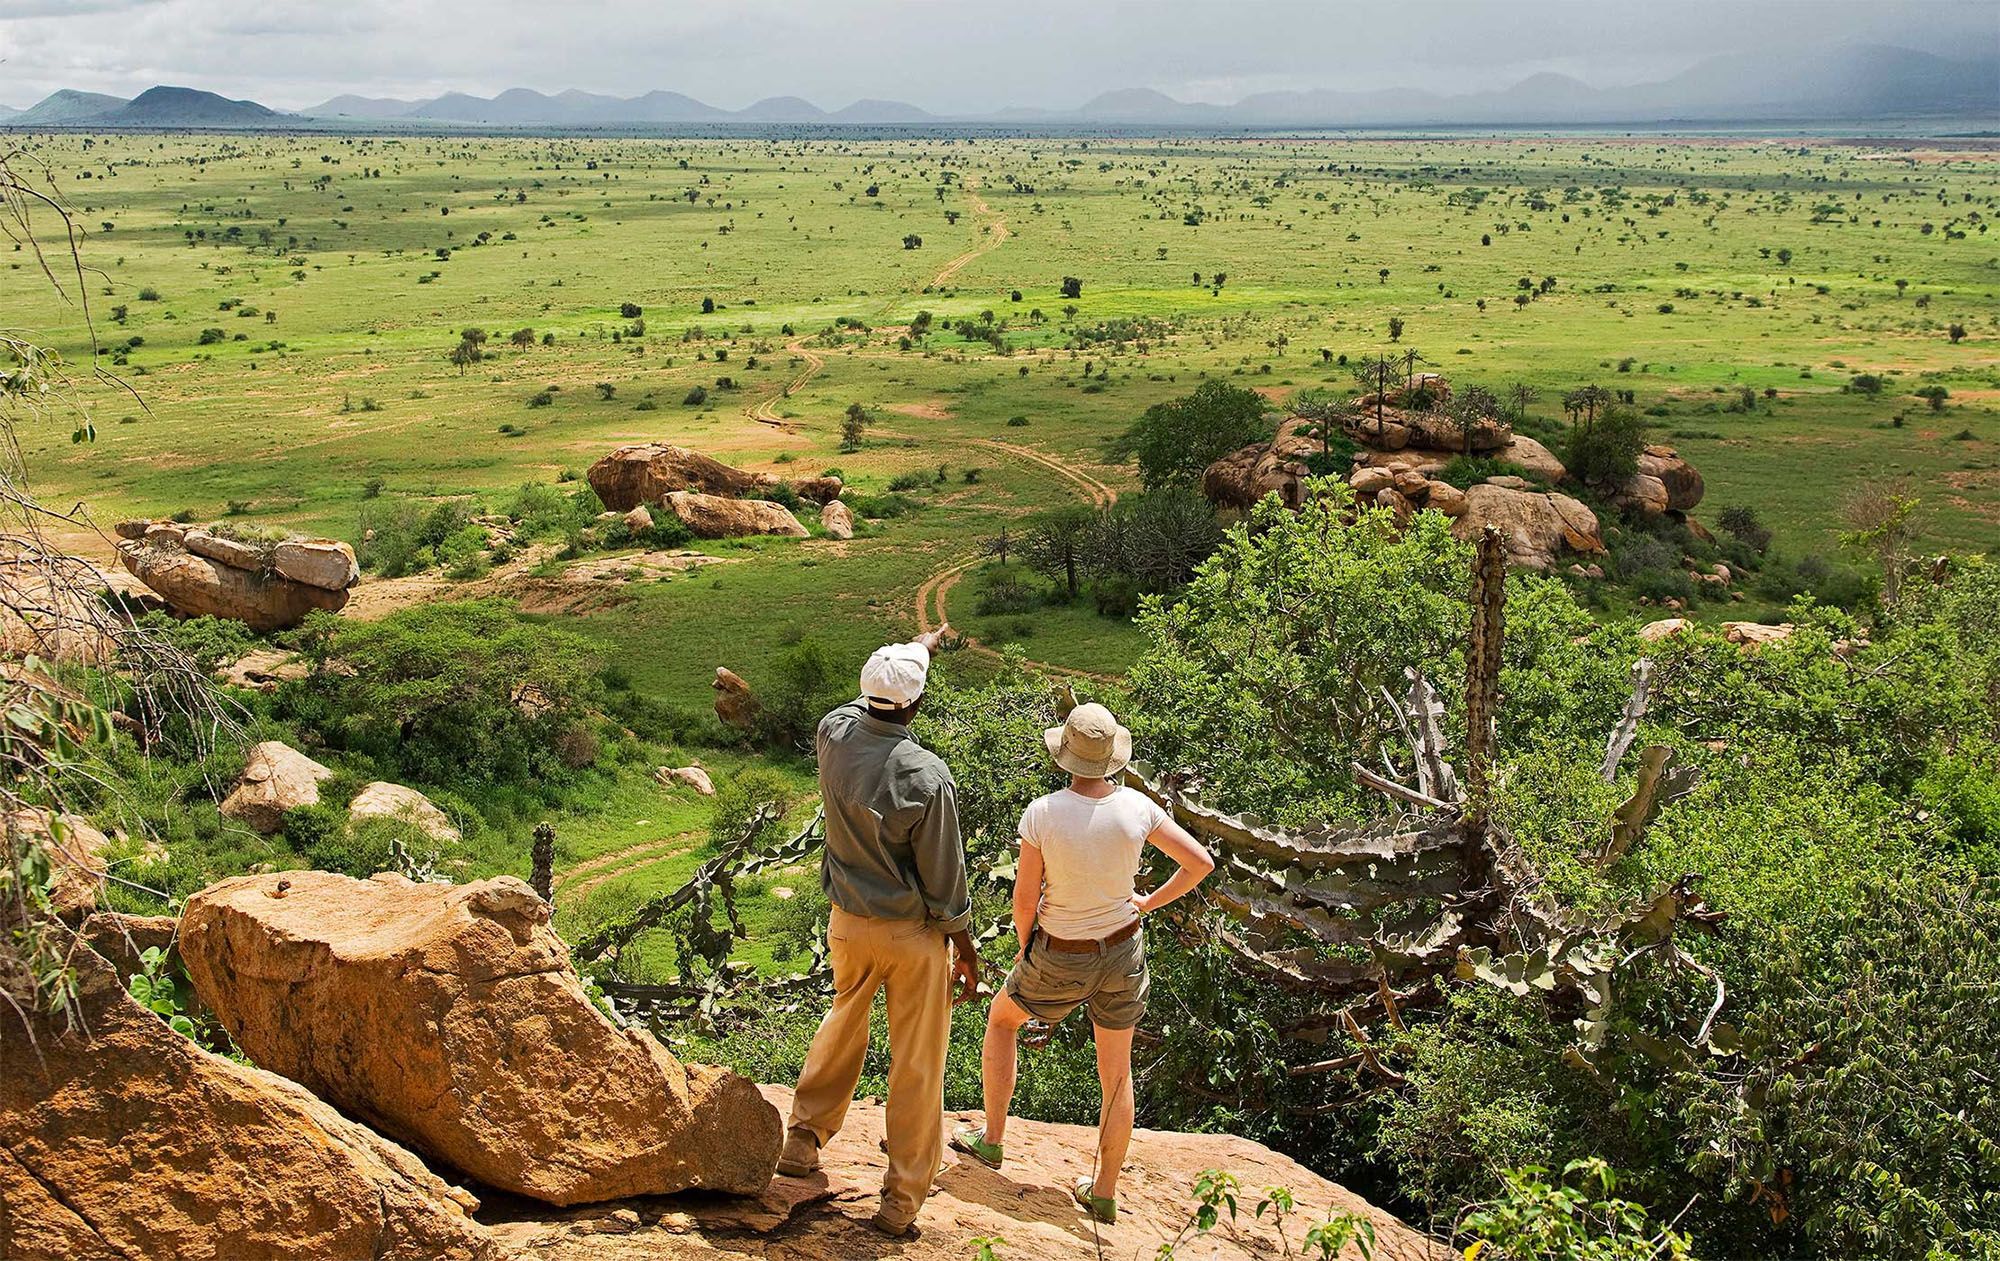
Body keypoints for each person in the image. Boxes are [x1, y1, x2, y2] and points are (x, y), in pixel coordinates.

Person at [950, 702, 1214, 1226]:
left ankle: (993, 1139)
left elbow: (1024, 898)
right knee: (1116, 1072)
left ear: (1065, 755)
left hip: (1060, 948)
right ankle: (1104, 1192)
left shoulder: (1043, 812)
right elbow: (1200, 863)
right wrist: (1147, 902)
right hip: (1122, 948)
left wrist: (1027, 948)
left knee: (1002, 1020)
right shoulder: (1138, 808)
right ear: (1113, 756)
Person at [776, 624, 980, 1238]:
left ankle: (803, 1138)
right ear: (918, 704)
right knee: (917, 1060)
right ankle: (900, 1199)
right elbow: (944, 877)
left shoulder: (832, 735)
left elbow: (867, 700)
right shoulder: (927, 776)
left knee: (844, 1020)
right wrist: (964, 946)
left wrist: (917, 647)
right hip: (912, 934)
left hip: (848, 922)